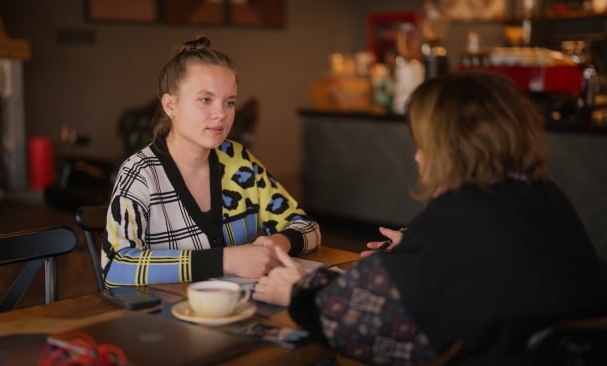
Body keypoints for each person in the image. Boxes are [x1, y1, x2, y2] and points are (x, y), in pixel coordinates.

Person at [253, 70, 607, 364]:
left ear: (451, 148)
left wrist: (296, 292)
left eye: (423, 145)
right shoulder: (544, 194)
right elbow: (503, 265)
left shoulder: (457, 218)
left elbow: (359, 326)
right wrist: (419, 250)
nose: (418, 158)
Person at [103, 36, 320, 286]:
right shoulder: (140, 174)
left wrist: (280, 242)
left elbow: (308, 227)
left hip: (238, 313)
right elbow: (116, 266)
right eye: (205, 100)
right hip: (163, 317)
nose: (221, 114)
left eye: (229, 102)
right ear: (170, 105)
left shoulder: (239, 161)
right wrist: (225, 260)